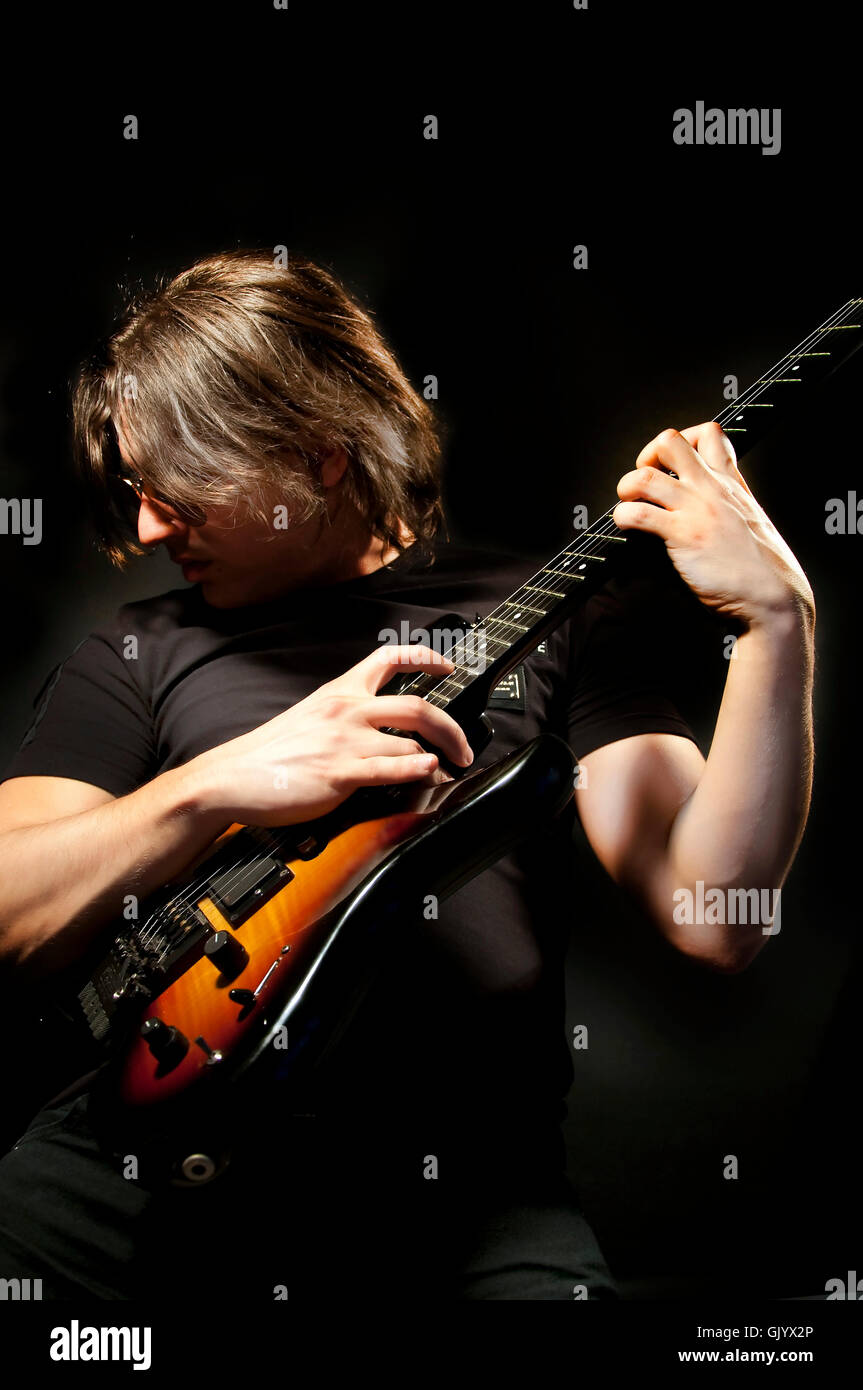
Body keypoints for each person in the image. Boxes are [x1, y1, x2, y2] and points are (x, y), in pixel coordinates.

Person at [0, 251, 815, 1300]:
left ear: (319, 455)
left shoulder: (550, 610)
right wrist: (219, 782)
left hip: (464, 1209)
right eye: (135, 489)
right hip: (126, 1184)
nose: (151, 528)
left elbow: (714, 917)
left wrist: (772, 625)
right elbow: (12, 921)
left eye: (179, 486)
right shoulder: (135, 650)